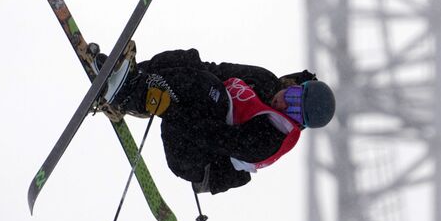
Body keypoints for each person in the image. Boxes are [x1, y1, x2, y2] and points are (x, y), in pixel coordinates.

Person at [95, 46, 336, 194]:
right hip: (196, 116)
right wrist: (160, 74)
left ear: (298, 124)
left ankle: (127, 94)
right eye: (292, 96)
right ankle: (132, 79)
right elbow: (215, 69)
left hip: (196, 159)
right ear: (295, 85)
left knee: (210, 91)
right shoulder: (264, 79)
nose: (283, 104)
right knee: (191, 63)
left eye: (292, 111)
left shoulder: (270, 139)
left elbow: (210, 137)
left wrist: (170, 109)